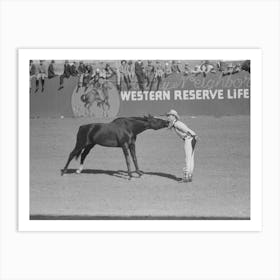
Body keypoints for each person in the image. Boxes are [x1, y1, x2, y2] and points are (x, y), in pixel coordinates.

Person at [166, 109, 198, 182]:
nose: (168, 117)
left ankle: (187, 177)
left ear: (174, 116)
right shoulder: (175, 123)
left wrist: (193, 136)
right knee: (190, 158)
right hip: (191, 139)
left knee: (188, 158)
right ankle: (189, 176)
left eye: (169, 115)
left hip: (189, 139)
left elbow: (186, 130)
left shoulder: (177, 123)